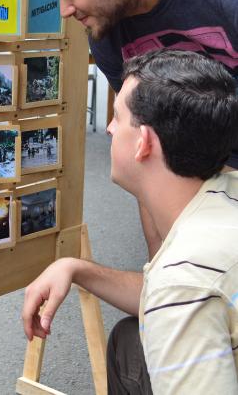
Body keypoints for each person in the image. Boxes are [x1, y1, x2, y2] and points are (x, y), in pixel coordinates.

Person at [26, 0, 238, 261]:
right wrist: (162, 271)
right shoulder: (107, 31)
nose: (64, 10)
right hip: (203, 178)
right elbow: (146, 156)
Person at [21, 50, 238, 394]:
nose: (108, 129)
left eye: (117, 117)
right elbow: (174, 294)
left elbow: (180, 291)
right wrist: (76, 268)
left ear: (144, 142)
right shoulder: (227, 193)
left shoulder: (183, 280)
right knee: (130, 341)